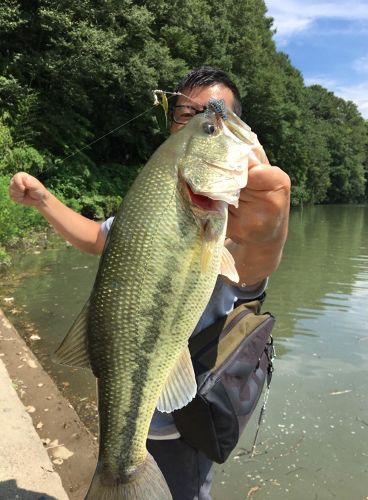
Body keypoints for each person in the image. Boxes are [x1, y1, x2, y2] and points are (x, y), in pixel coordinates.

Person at [9, 67, 290, 499]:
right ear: (173, 123)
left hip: (189, 424)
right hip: (129, 409)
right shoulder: (153, 201)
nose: (202, 117)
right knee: (120, 469)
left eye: (216, 114)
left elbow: (252, 270)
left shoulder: (234, 218)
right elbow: (95, 237)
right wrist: (44, 200)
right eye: (188, 112)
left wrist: (271, 233)